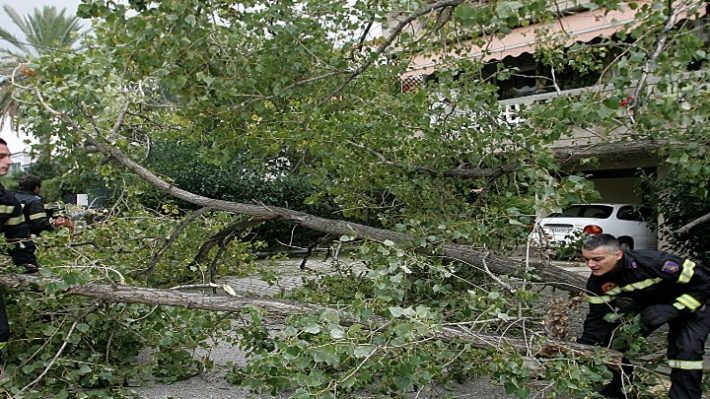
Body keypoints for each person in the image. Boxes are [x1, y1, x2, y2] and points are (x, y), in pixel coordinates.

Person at [578, 233, 710, 399]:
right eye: (586, 259)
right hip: (650, 309)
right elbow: (598, 320)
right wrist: (583, 349)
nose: (591, 265)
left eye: (597, 259)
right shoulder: (597, 283)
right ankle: (619, 390)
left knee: (686, 352)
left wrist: (673, 308)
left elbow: (705, 281)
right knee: (615, 341)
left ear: (618, 255)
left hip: (692, 305)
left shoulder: (654, 262)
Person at [0, 138, 28, 355]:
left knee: (1, 331)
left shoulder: (8, 201)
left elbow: (18, 240)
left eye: (8, 156)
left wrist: (30, 269)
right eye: (2, 157)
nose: (8, 161)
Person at [10, 175, 69, 272]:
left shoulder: (12, 198)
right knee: (30, 271)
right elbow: (41, 225)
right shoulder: (34, 202)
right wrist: (54, 225)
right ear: (36, 188)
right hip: (26, 241)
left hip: (10, 241)